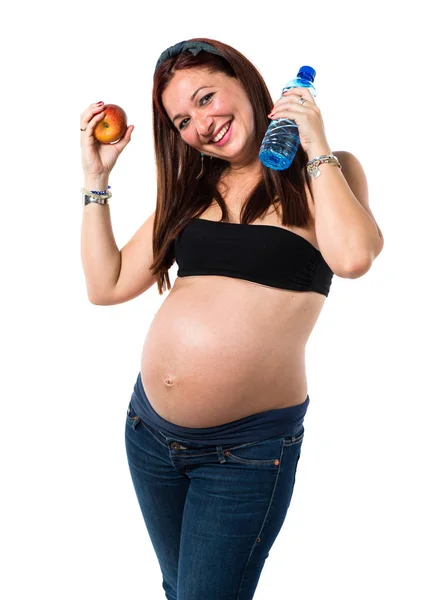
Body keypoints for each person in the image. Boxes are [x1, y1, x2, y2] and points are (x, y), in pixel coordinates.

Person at [80, 38, 384, 600]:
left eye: (205, 97)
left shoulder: (328, 174)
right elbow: (107, 285)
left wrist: (313, 142)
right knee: (181, 588)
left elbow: (354, 257)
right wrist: (96, 181)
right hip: (150, 435)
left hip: (245, 452)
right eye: (182, 119)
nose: (201, 123)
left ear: (246, 83)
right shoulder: (193, 193)